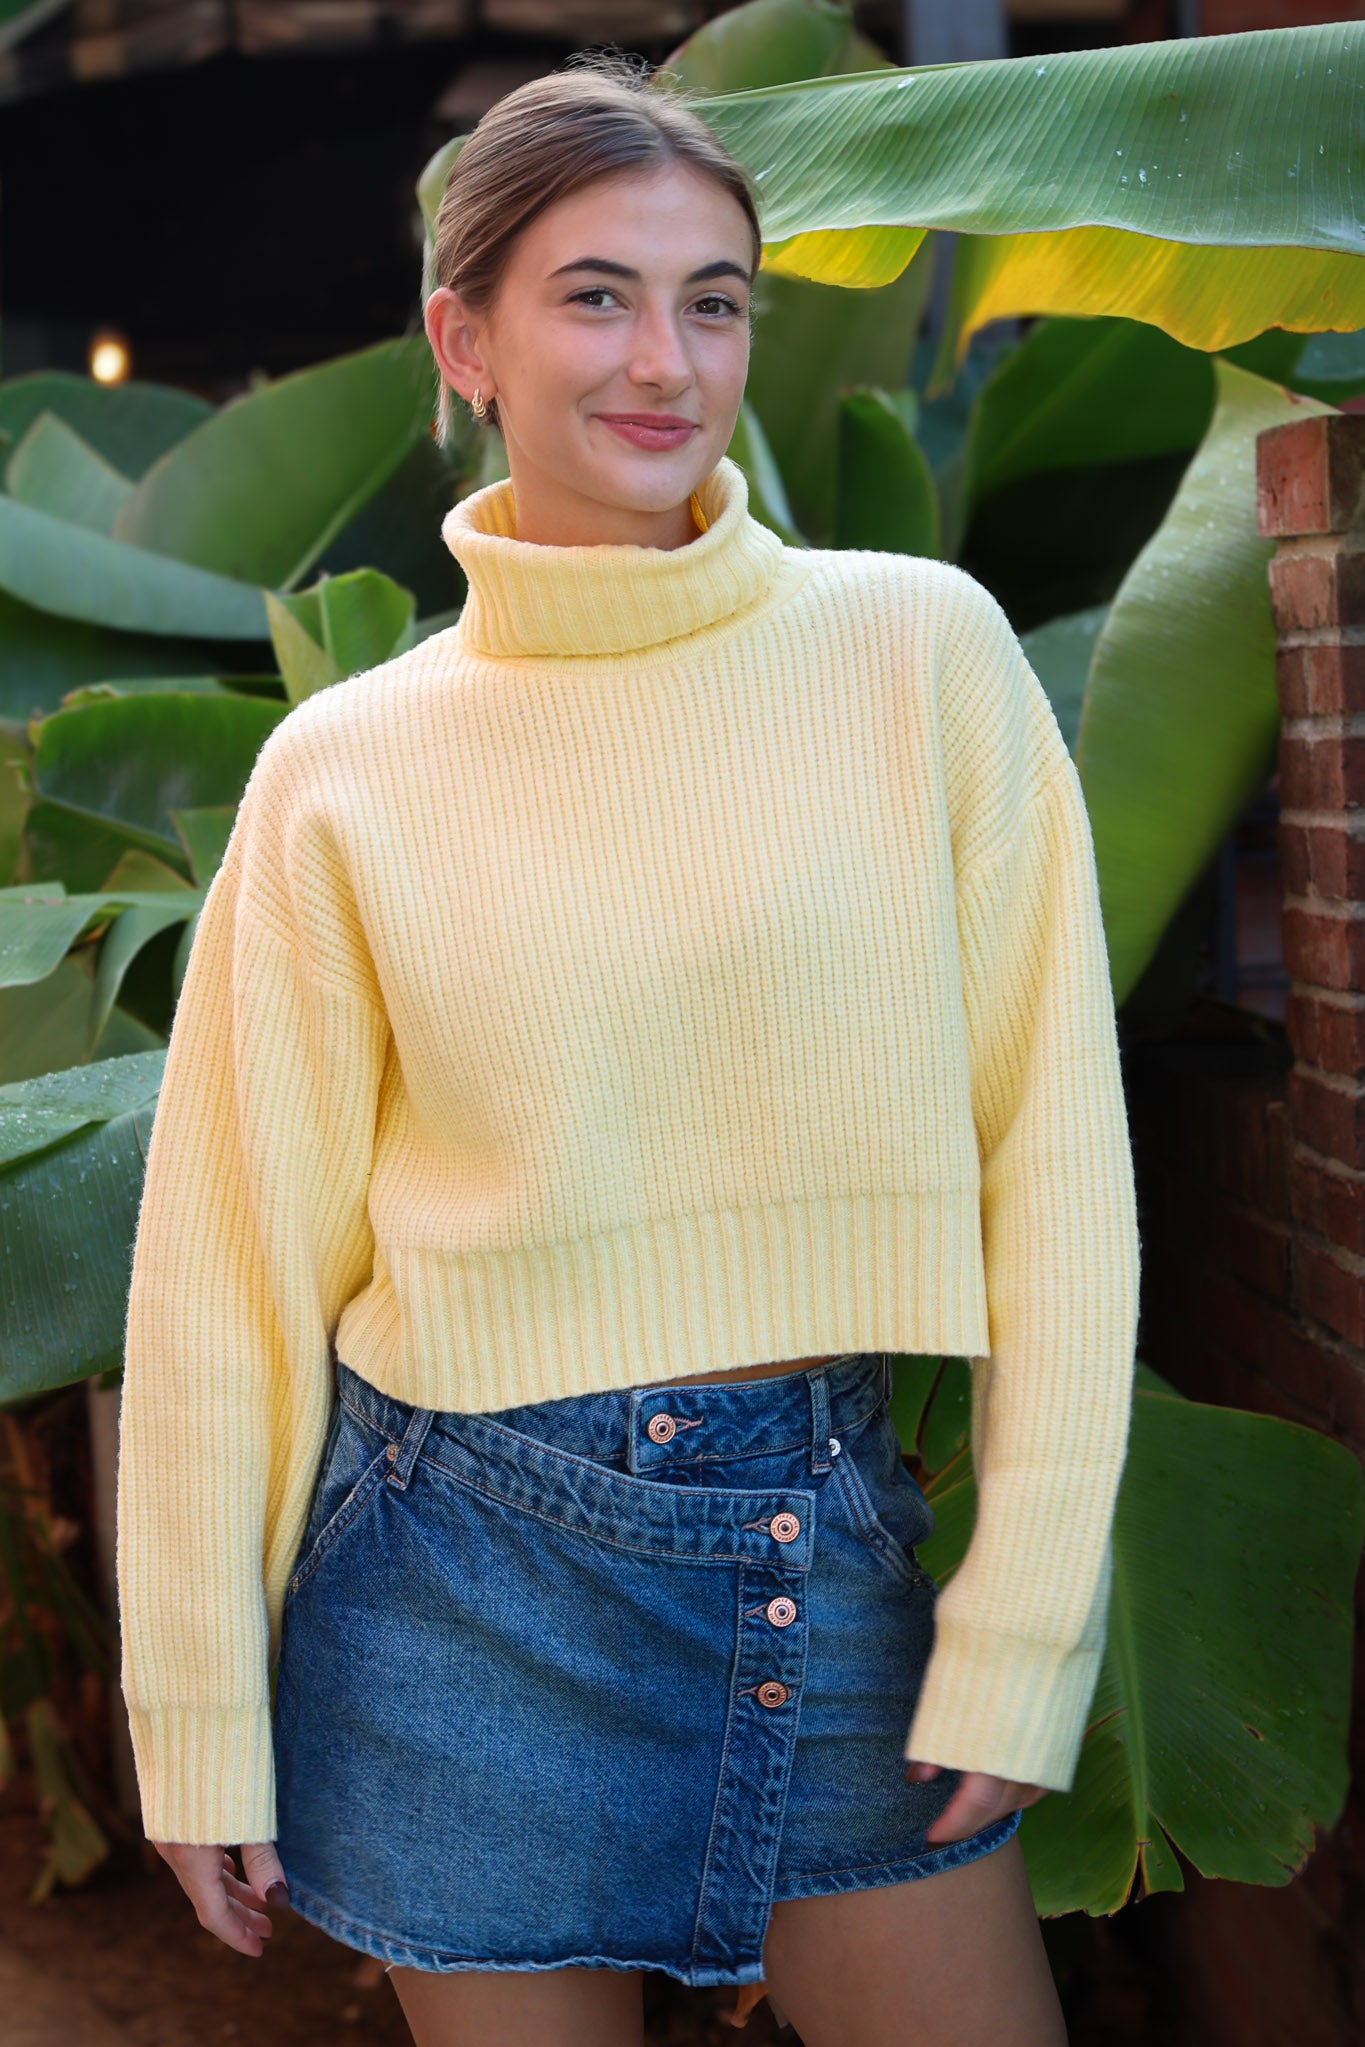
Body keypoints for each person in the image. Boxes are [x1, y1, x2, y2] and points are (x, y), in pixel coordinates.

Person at [115, 48, 1140, 2047]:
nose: (663, 356)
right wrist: (196, 1717)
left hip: (824, 1549)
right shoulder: (345, 768)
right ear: (462, 338)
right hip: (455, 1585)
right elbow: (224, 1270)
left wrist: (1022, 1627)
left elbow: (1059, 1168)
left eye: (711, 298)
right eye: (594, 292)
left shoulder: (916, 652)